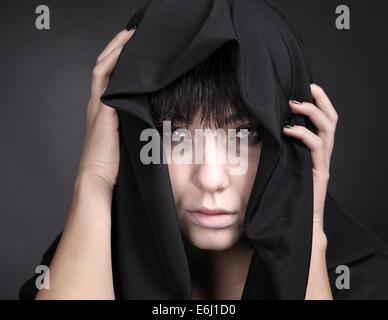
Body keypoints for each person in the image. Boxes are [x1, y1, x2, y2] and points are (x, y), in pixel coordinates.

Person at [25, 26, 334, 300]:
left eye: (245, 134)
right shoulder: (85, 262)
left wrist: (307, 223)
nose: (211, 179)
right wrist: (95, 178)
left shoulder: (355, 276)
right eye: (175, 136)